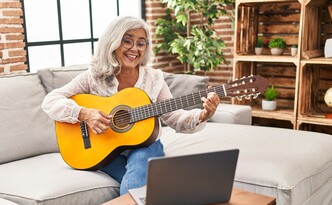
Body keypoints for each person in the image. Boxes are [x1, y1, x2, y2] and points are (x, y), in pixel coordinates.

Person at [42, 16, 220, 195]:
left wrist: (203, 115)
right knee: (143, 182)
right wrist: (84, 113)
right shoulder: (94, 76)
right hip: (104, 148)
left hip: (146, 146)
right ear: (113, 43)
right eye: (127, 41)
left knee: (140, 163)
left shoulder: (154, 78)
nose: (134, 49)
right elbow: (50, 101)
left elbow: (173, 117)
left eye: (141, 44)